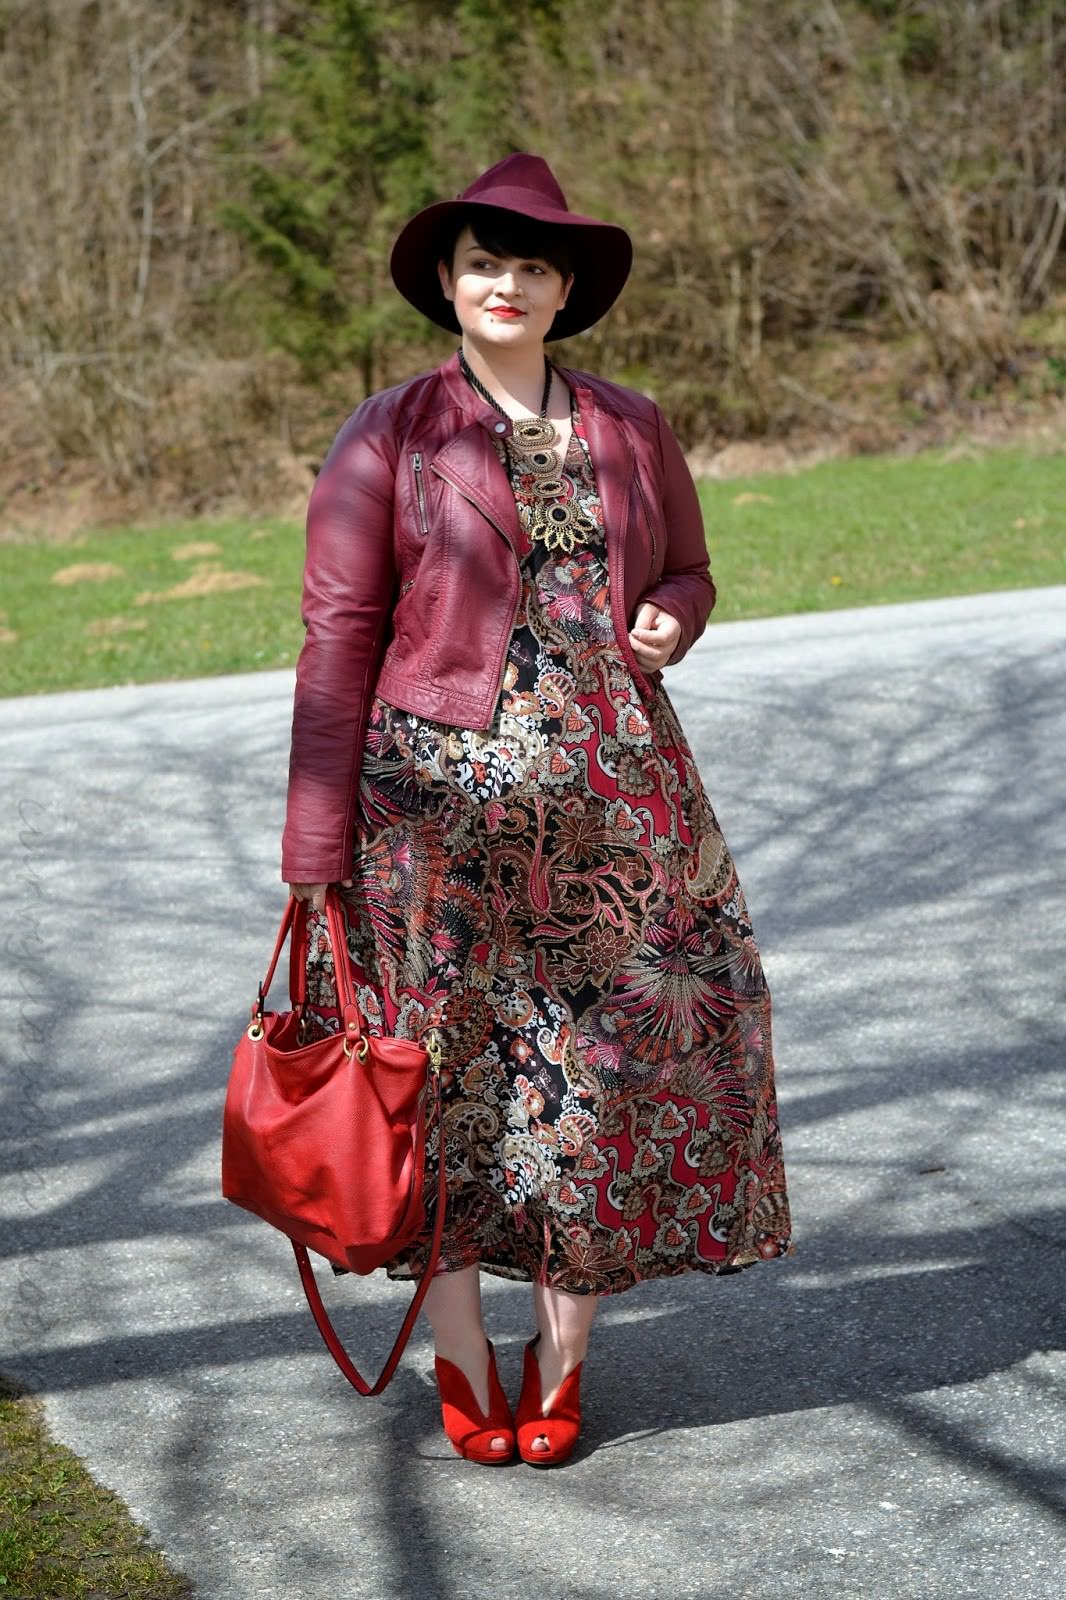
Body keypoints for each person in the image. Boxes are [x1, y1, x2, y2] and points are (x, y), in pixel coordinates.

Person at [281, 154, 793, 1467]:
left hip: (619, 804)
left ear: (566, 290)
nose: (503, 284)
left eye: (529, 266)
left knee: (604, 1074)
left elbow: (689, 565)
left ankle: (560, 1360)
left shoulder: (631, 424)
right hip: (430, 814)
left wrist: (673, 612)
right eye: (480, 264)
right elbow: (336, 636)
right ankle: (461, 1354)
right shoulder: (387, 434)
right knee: (440, 1079)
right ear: (448, 286)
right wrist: (314, 840)